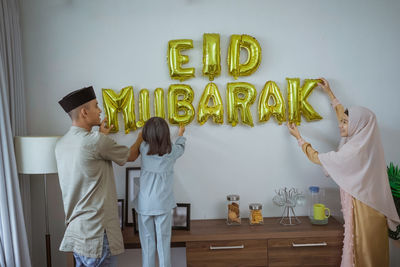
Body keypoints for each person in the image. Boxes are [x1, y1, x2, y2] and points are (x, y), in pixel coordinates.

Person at [287, 78, 400, 267]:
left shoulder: (353, 151)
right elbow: (346, 118)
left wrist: (299, 138)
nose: (341, 125)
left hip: (364, 213)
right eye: (343, 122)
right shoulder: (363, 141)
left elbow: (318, 158)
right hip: (368, 211)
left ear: (357, 126)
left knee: (363, 255)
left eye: (346, 123)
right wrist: (330, 93)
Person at [55, 86, 143, 267]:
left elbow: (88, 165)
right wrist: (141, 137)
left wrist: (101, 136)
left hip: (78, 232)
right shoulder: (95, 142)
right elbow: (131, 155)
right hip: (97, 233)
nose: (100, 110)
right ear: (84, 112)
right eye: (96, 106)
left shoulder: (61, 144)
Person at [134, 117, 186, 267]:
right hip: (162, 205)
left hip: (145, 205)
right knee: (163, 243)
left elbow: (140, 142)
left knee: (148, 245)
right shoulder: (171, 151)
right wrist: (181, 134)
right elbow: (181, 147)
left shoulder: (143, 148)